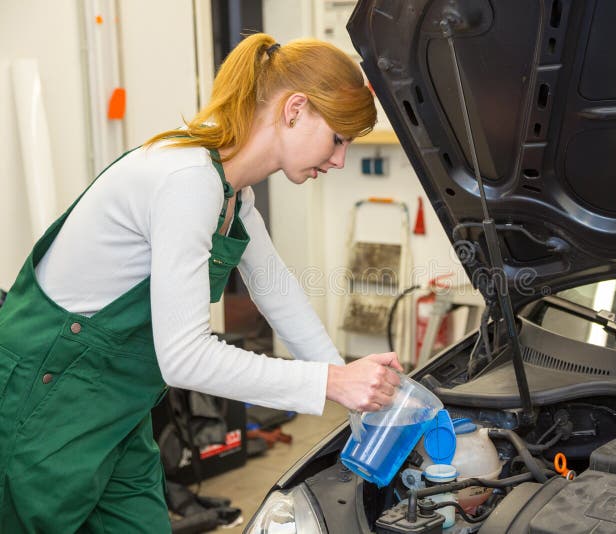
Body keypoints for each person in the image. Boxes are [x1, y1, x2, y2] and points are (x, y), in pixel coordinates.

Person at [0, 33, 401, 532]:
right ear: (295, 109)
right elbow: (185, 356)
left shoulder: (230, 192)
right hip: (48, 398)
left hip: (119, 407)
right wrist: (330, 382)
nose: (340, 160)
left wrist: (349, 389)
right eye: (338, 138)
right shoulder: (186, 179)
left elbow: (276, 291)